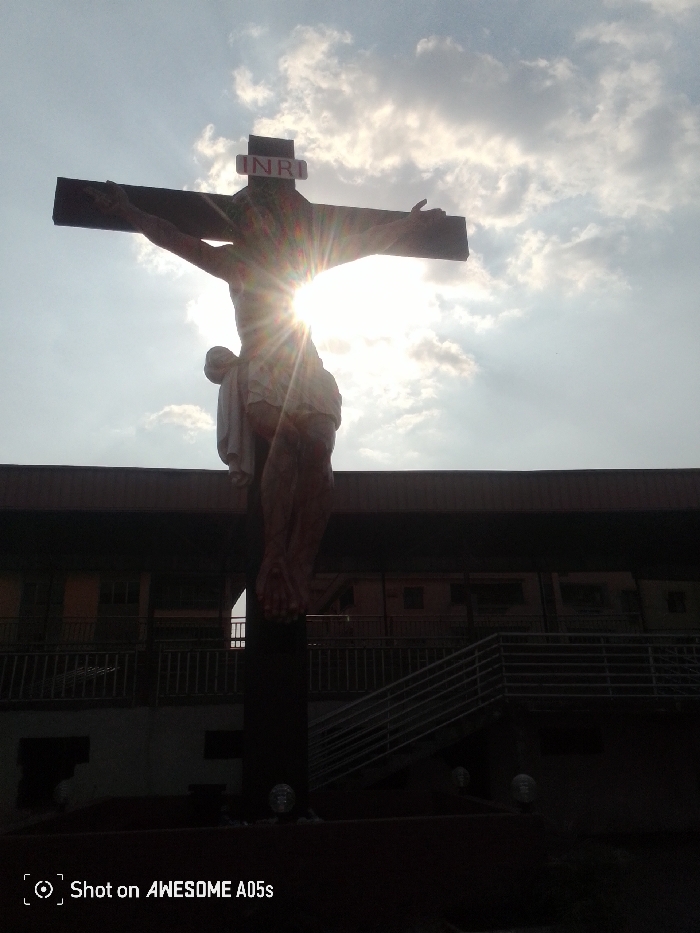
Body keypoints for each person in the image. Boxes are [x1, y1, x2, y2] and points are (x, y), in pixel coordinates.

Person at [87, 181, 446, 621]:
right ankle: (274, 554)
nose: (261, 223)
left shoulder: (300, 263)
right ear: (243, 225)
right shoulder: (233, 263)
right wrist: (128, 211)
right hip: (264, 367)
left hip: (306, 368)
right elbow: (171, 237)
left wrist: (408, 225)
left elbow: (365, 243)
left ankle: (301, 561)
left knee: (319, 449)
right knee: (285, 440)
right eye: (252, 217)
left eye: (268, 215)